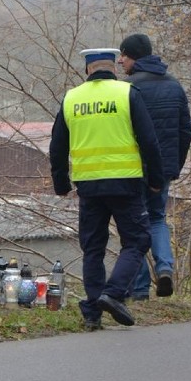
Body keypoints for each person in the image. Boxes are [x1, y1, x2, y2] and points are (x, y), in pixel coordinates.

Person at [50, 48, 164, 330]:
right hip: (126, 182)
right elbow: (149, 141)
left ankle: (92, 312)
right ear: (113, 67)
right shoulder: (127, 93)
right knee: (137, 241)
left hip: (88, 185)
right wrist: (156, 179)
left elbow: (57, 147)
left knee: (93, 248)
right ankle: (112, 294)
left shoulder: (71, 98)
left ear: (87, 69)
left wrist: (61, 183)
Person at [118, 33, 191, 300]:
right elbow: (186, 130)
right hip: (163, 169)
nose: (119, 61)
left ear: (133, 56)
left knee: (134, 226)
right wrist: (175, 165)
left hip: (134, 168)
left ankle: (139, 290)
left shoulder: (128, 89)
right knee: (158, 218)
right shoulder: (174, 86)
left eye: (123, 55)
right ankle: (164, 267)